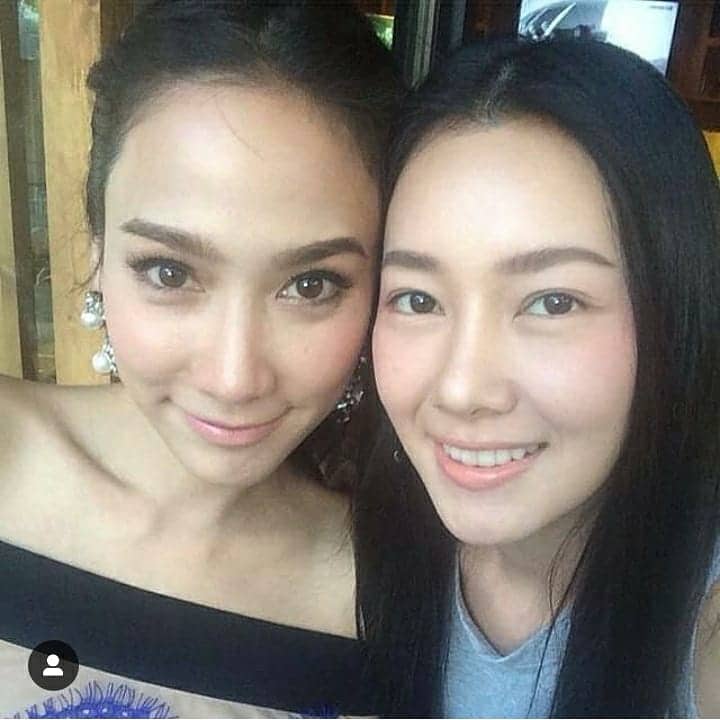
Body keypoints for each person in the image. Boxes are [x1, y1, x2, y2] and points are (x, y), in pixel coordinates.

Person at [0, 1, 400, 716]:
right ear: (98, 252)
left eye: (311, 285)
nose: (233, 377)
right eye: (170, 272)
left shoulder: (392, 600)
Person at [356, 38, 720, 717]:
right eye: (418, 299)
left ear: (676, 311)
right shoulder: (350, 548)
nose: (463, 389)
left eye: (553, 302)